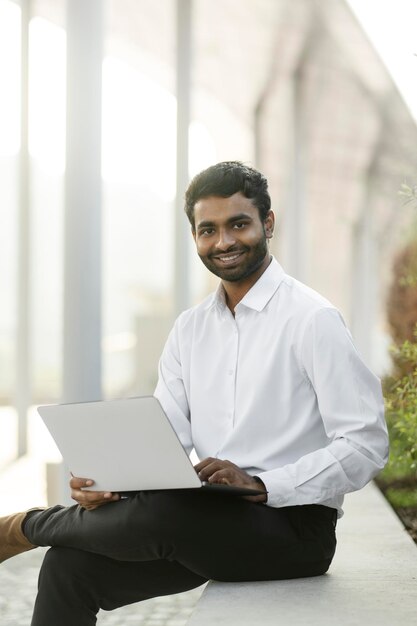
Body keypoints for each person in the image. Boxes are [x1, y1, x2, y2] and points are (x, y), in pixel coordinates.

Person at [0, 161, 388, 625]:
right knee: (68, 567)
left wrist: (264, 485)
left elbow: (366, 444)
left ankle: (22, 527)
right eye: (208, 230)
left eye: (238, 224)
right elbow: (161, 438)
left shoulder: (312, 320)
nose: (223, 242)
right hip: (204, 522)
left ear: (267, 223)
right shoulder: (190, 329)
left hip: (293, 531)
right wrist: (110, 483)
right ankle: (36, 529)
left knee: (167, 510)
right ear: (196, 237)